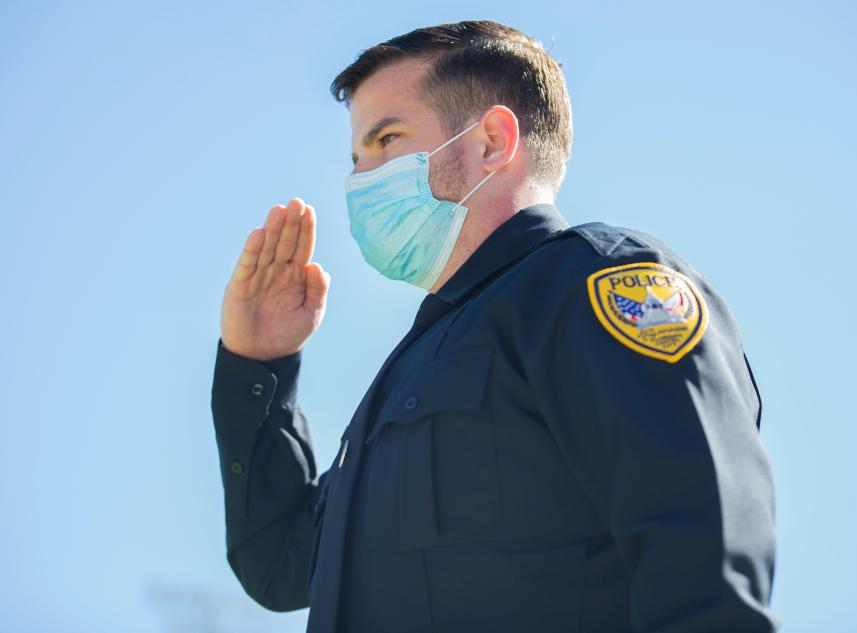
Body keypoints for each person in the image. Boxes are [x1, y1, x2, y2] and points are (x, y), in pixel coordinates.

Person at [211, 20, 778, 633]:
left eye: (386, 139)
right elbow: (279, 564)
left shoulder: (597, 283)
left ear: (491, 141)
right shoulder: (404, 377)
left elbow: (694, 534)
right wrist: (258, 364)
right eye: (356, 157)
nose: (360, 178)